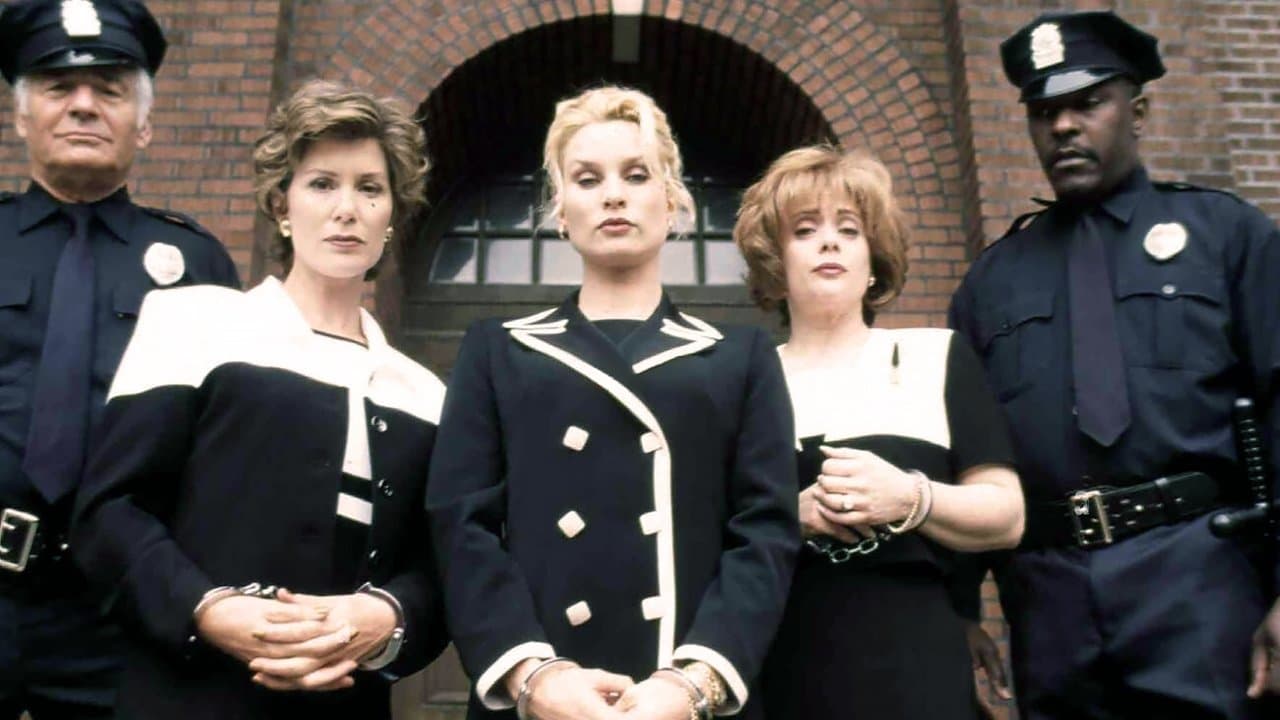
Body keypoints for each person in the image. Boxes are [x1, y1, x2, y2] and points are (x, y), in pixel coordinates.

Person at [69, 80, 448, 719]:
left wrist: (387, 615)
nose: (347, 209)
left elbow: (438, 569)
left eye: (370, 188)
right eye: (321, 184)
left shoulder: (426, 394)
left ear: (391, 216)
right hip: (188, 699)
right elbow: (110, 512)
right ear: (281, 205)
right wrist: (209, 609)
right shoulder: (192, 323)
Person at [426, 85, 799, 720]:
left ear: (671, 201)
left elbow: (765, 534)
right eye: (587, 178)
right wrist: (533, 676)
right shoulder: (497, 350)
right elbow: (462, 527)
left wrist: (693, 684)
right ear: (561, 210)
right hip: (539, 696)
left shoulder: (741, 357)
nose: (613, 195)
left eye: (636, 175)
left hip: (691, 696)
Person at [949, 9, 1280, 719]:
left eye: (1088, 103)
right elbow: (966, 452)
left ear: (1138, 111)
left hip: (1199, 577)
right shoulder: (991, 282)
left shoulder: (1227, 236)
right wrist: (960, 610)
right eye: (1044, 112)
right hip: (1049, 602)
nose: (1064, 127)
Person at [0, 1, 239, 717]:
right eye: (57, 88)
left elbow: (222, 449)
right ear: (20, 117)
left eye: (108, 90)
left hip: (121, 615)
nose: (83, 106)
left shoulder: (196, 262)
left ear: (144, 124)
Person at [733, 145, 1023, 719]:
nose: (829, 243)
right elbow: (707, 533)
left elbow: (1007, 515)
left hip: (915, 656)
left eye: (849, 229)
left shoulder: (937, 356)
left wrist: (910, 497)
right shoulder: (742, 382)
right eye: (805, 230)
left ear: (873, 263)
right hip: (783, 655)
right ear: (776, 264)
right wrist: (789, 516)